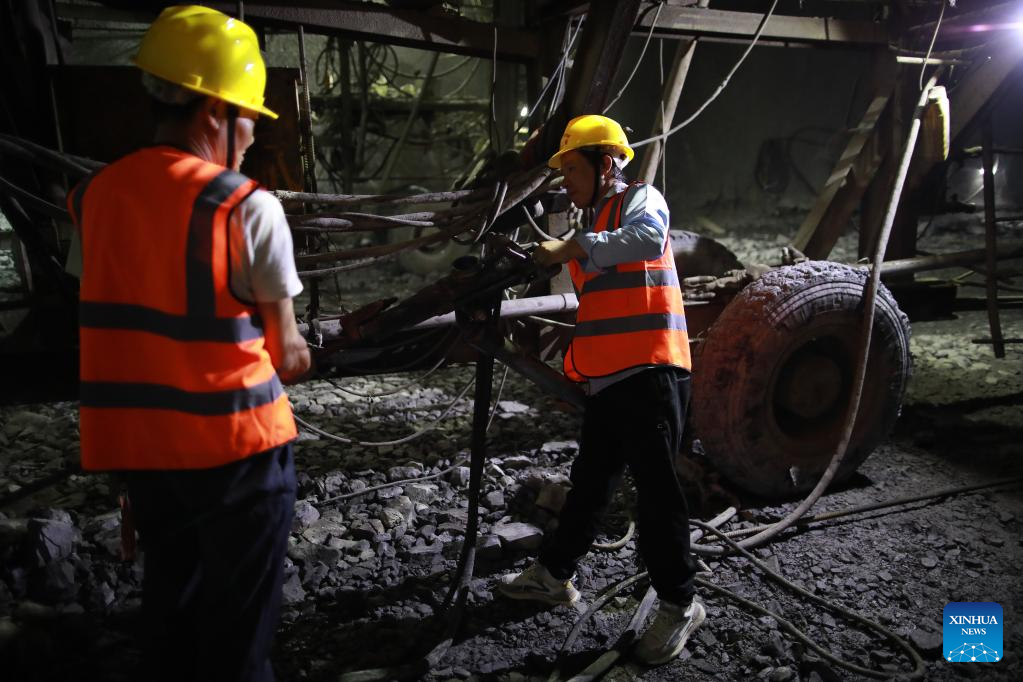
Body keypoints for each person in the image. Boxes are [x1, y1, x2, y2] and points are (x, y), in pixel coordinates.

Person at [65, 7, 310, 681]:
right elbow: (287, 352)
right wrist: (302, 349)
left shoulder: (93, 197)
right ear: (214, 110)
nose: (253, 134)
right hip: (239, 453)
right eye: (250, 116)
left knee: (172, 607)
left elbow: (120, 309)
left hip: (143, 452)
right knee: (239, 636)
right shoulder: (245, 206)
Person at [497, 115, 704, 666]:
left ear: (605, 163)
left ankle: (680, 604)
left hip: (652, 370)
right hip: (612, 378)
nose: (566, 181)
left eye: (571, 168)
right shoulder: (597, 221)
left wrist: (571, 247)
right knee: (590, 484)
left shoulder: (641, 201)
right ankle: (554, 576)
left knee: (657, 496)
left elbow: (648, 239)